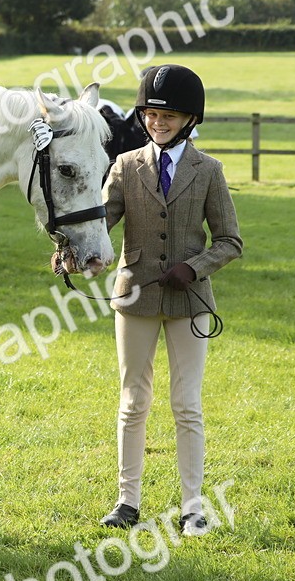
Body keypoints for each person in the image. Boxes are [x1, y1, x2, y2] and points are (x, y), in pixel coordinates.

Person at [98, 64, 243, 536]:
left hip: (189, 301)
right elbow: (101, 224)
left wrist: (195, 267)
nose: (158, 122)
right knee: (133, 401)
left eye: (169, 115)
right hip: (134, 297)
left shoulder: (209, 171)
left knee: (187, 405)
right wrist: (72, 252)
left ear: (189, 119)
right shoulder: (125, 165)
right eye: (151, 114)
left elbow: (230, 241)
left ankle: (192, 507)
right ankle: (127, 501)